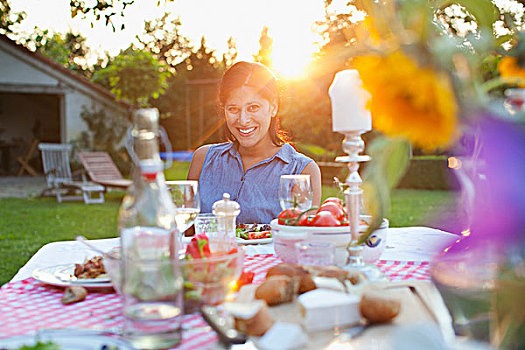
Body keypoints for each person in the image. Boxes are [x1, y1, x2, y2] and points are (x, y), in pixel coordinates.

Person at [188, 61, 321, 223]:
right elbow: (185, 234)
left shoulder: (301, 170)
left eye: (253, 107)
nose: (243, 120)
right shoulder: (203, 159)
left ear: (273, 107)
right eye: (233, 109)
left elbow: (302, 241)